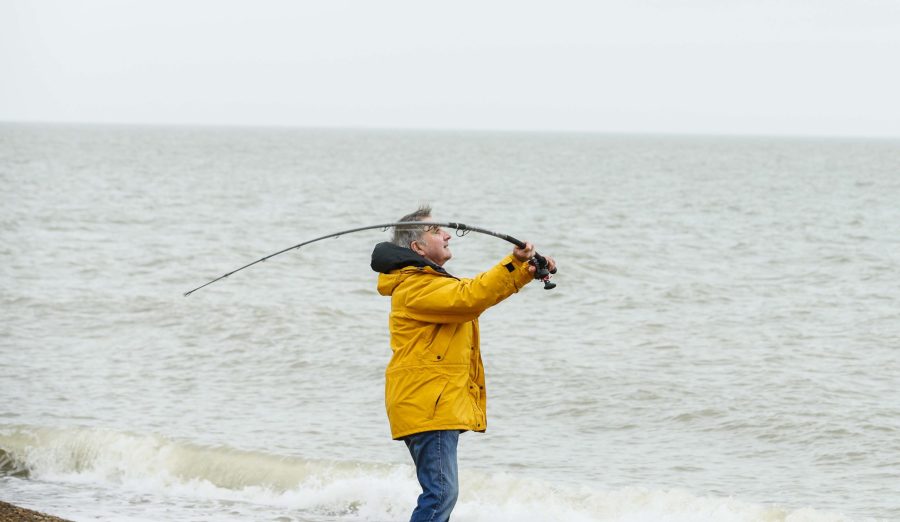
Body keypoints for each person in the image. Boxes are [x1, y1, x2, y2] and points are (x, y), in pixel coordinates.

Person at [369, 205, 556, 522]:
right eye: (435, 230)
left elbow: (471, 294)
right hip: (429, 405)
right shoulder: (415, 286)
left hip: (431, 403)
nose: (446, 234)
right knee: (440, 493)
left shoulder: (427, 281)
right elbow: (470, 298)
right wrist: (516, 263)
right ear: (417, 247)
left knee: (440, 493)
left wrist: (526, 271)